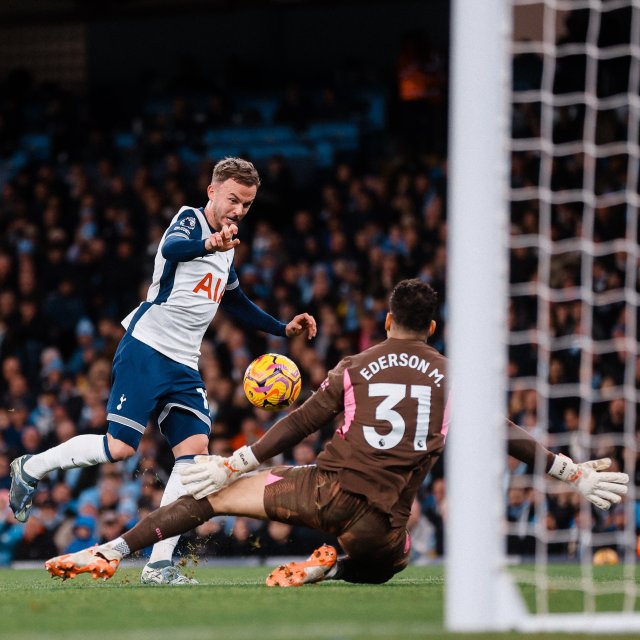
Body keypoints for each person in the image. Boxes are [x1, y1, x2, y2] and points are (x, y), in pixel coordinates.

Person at [43, 279, 628, 587]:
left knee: (209, 498)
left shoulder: (354, 366)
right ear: (431, 326)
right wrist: (569, 471)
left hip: (319, 488)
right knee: (390, 562)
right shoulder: (453, 379)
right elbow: (507, 433)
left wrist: (239, 460)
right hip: (381, 519)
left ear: (386, 322)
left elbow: (300, 421)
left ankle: (111, 550)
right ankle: (334, 566)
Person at [10, 157, 317, 585]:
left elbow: (234, 300)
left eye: (247, 204)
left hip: (184, 365)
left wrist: (282, 328)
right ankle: (31, 468)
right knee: (120, 449)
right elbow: (173, 249)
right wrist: (211, 245)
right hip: (146, 349)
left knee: (192, 459)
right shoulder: (189, 222)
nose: (239, 210)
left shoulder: (227, 247)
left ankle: (158, 564)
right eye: (234, 200)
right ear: (212, 192)